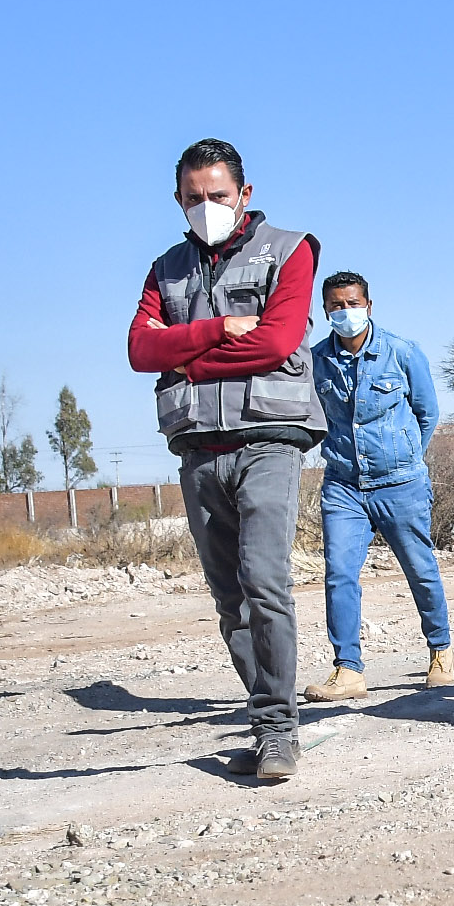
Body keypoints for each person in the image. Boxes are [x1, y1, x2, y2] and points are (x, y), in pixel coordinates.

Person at [127, 138, 322, 780]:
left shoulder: (290, 250)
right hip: (198, 449)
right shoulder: (165, 269)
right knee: (230, 600)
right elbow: (139, 350)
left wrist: (185, 359)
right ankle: (265, 723)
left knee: (265, 582)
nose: (205, 206)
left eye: (217, 194)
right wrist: (213, 331)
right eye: (193, 197)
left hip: (268, 440)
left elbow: (277, 341)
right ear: (177, 200)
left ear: (245, 194)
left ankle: (278, 732)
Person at [304, 271, 454, 702]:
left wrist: (407, 456)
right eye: (336, 305)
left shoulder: (402, 352)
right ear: (326, 311)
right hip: (344, 485)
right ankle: (348, 669)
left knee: (419, 568)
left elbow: (427, 412)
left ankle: (441, 649)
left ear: (368, 306)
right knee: (339, 574)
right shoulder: (317, 361)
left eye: (352, 304)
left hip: (400, 482)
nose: (345, 312)